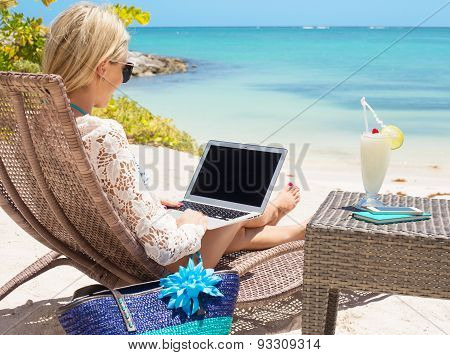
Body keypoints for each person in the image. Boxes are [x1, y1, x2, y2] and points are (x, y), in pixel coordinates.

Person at [42, 2, 307, 273]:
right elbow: (165, 248)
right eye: (126, 70)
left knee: (223, 213)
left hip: (107, 251)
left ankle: (284, 226)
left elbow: (94, 196)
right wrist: (191, 223)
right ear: (101, 69)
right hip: (167, 265)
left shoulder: (41, 127)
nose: (123, 80)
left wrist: (146, 203)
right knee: (231, 209)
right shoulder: (102, 134)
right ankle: (272, 214)